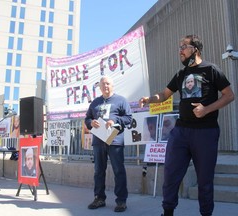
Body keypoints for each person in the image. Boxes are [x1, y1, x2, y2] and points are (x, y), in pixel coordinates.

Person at [138, 35, 234, 216]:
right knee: (171, 174)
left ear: (195, 49)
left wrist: (206, 109)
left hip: (206, 132)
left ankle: (206, 213)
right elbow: (164, 95)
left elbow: (229, 95)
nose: (180, 50)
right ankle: (167, 212)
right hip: (181, 131)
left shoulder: (212, 70)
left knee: (205, 181)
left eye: (184, 46)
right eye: (179, 47)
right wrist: (149, 99)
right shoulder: (180, 74)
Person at [85, 75, 132, 212]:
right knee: (99, 171)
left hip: (115, 140)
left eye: (108, 84)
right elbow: (87, 118)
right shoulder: (95, 103)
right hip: (98, 141)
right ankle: (99, 198)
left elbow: (128, 118)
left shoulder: (121, 100)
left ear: (112, 85)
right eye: (103, 84)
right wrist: (90, 123)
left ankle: (121, 201)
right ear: (99, 87)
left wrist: (115, 121)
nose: (105, 86)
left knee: (119, 170)